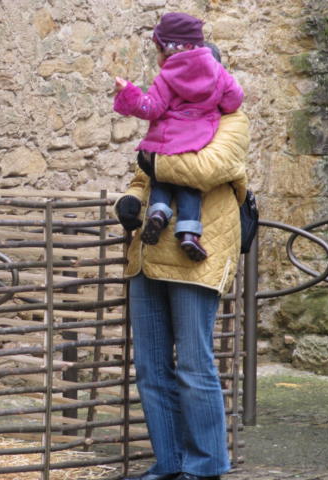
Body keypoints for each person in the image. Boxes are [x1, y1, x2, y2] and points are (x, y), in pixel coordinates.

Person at [111, 41, 251, 480]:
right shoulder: (166, 114)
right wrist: (132, 200)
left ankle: (206, 467)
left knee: (193, 364)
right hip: (149, 255)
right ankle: (169, 464)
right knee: (152, 369)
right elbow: (142, 175)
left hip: (198, 257)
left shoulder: (232, 120)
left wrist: (152, 159)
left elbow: (206, 169)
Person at [113, 12, 244, 262]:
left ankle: (159, 212)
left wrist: (128, 93)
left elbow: (151, 107)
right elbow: (234, 99)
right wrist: (129, 199)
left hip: (164, 144)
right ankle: (188, 231)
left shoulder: (166, 78)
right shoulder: (219, 77)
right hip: (198, 140)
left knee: (164, 177)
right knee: (186, 186)